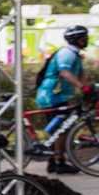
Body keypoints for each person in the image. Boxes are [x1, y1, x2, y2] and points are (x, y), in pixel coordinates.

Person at [36, 24, 91, 173]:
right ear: (77, 39)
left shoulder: (75, 54)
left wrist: (88, 88)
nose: (86, 40)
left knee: (61, 129)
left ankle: (53, 161)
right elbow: (64, 73)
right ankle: (59, 162)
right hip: (52, 96)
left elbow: (81, 75)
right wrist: (82, 87)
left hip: (58, 95)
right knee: (62, 129)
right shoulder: (67, 53)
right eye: (84, 37)